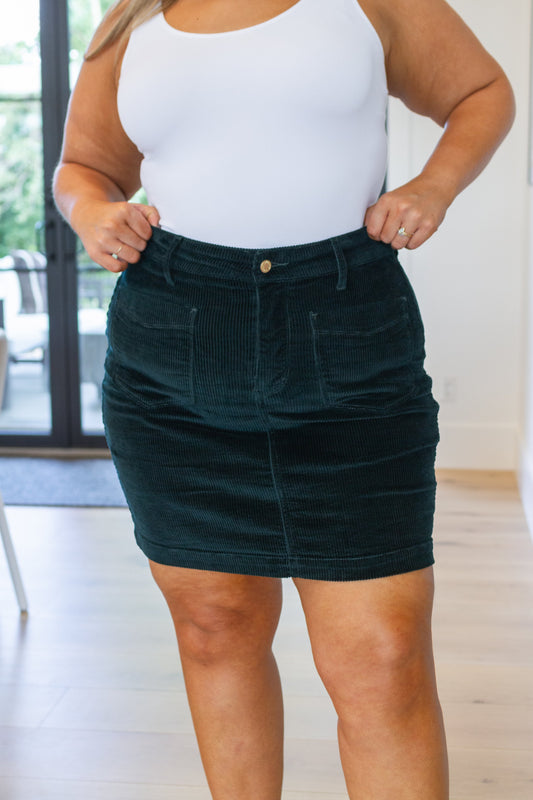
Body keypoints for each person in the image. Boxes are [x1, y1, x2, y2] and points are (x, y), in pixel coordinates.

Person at [53, 1, 515, 798]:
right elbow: (83, 167)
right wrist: (94, 213)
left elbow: (481, 90)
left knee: (381, 655)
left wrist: (433, 187)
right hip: (173, 349)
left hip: (345, 340)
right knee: (213, 628)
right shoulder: (132, 18)